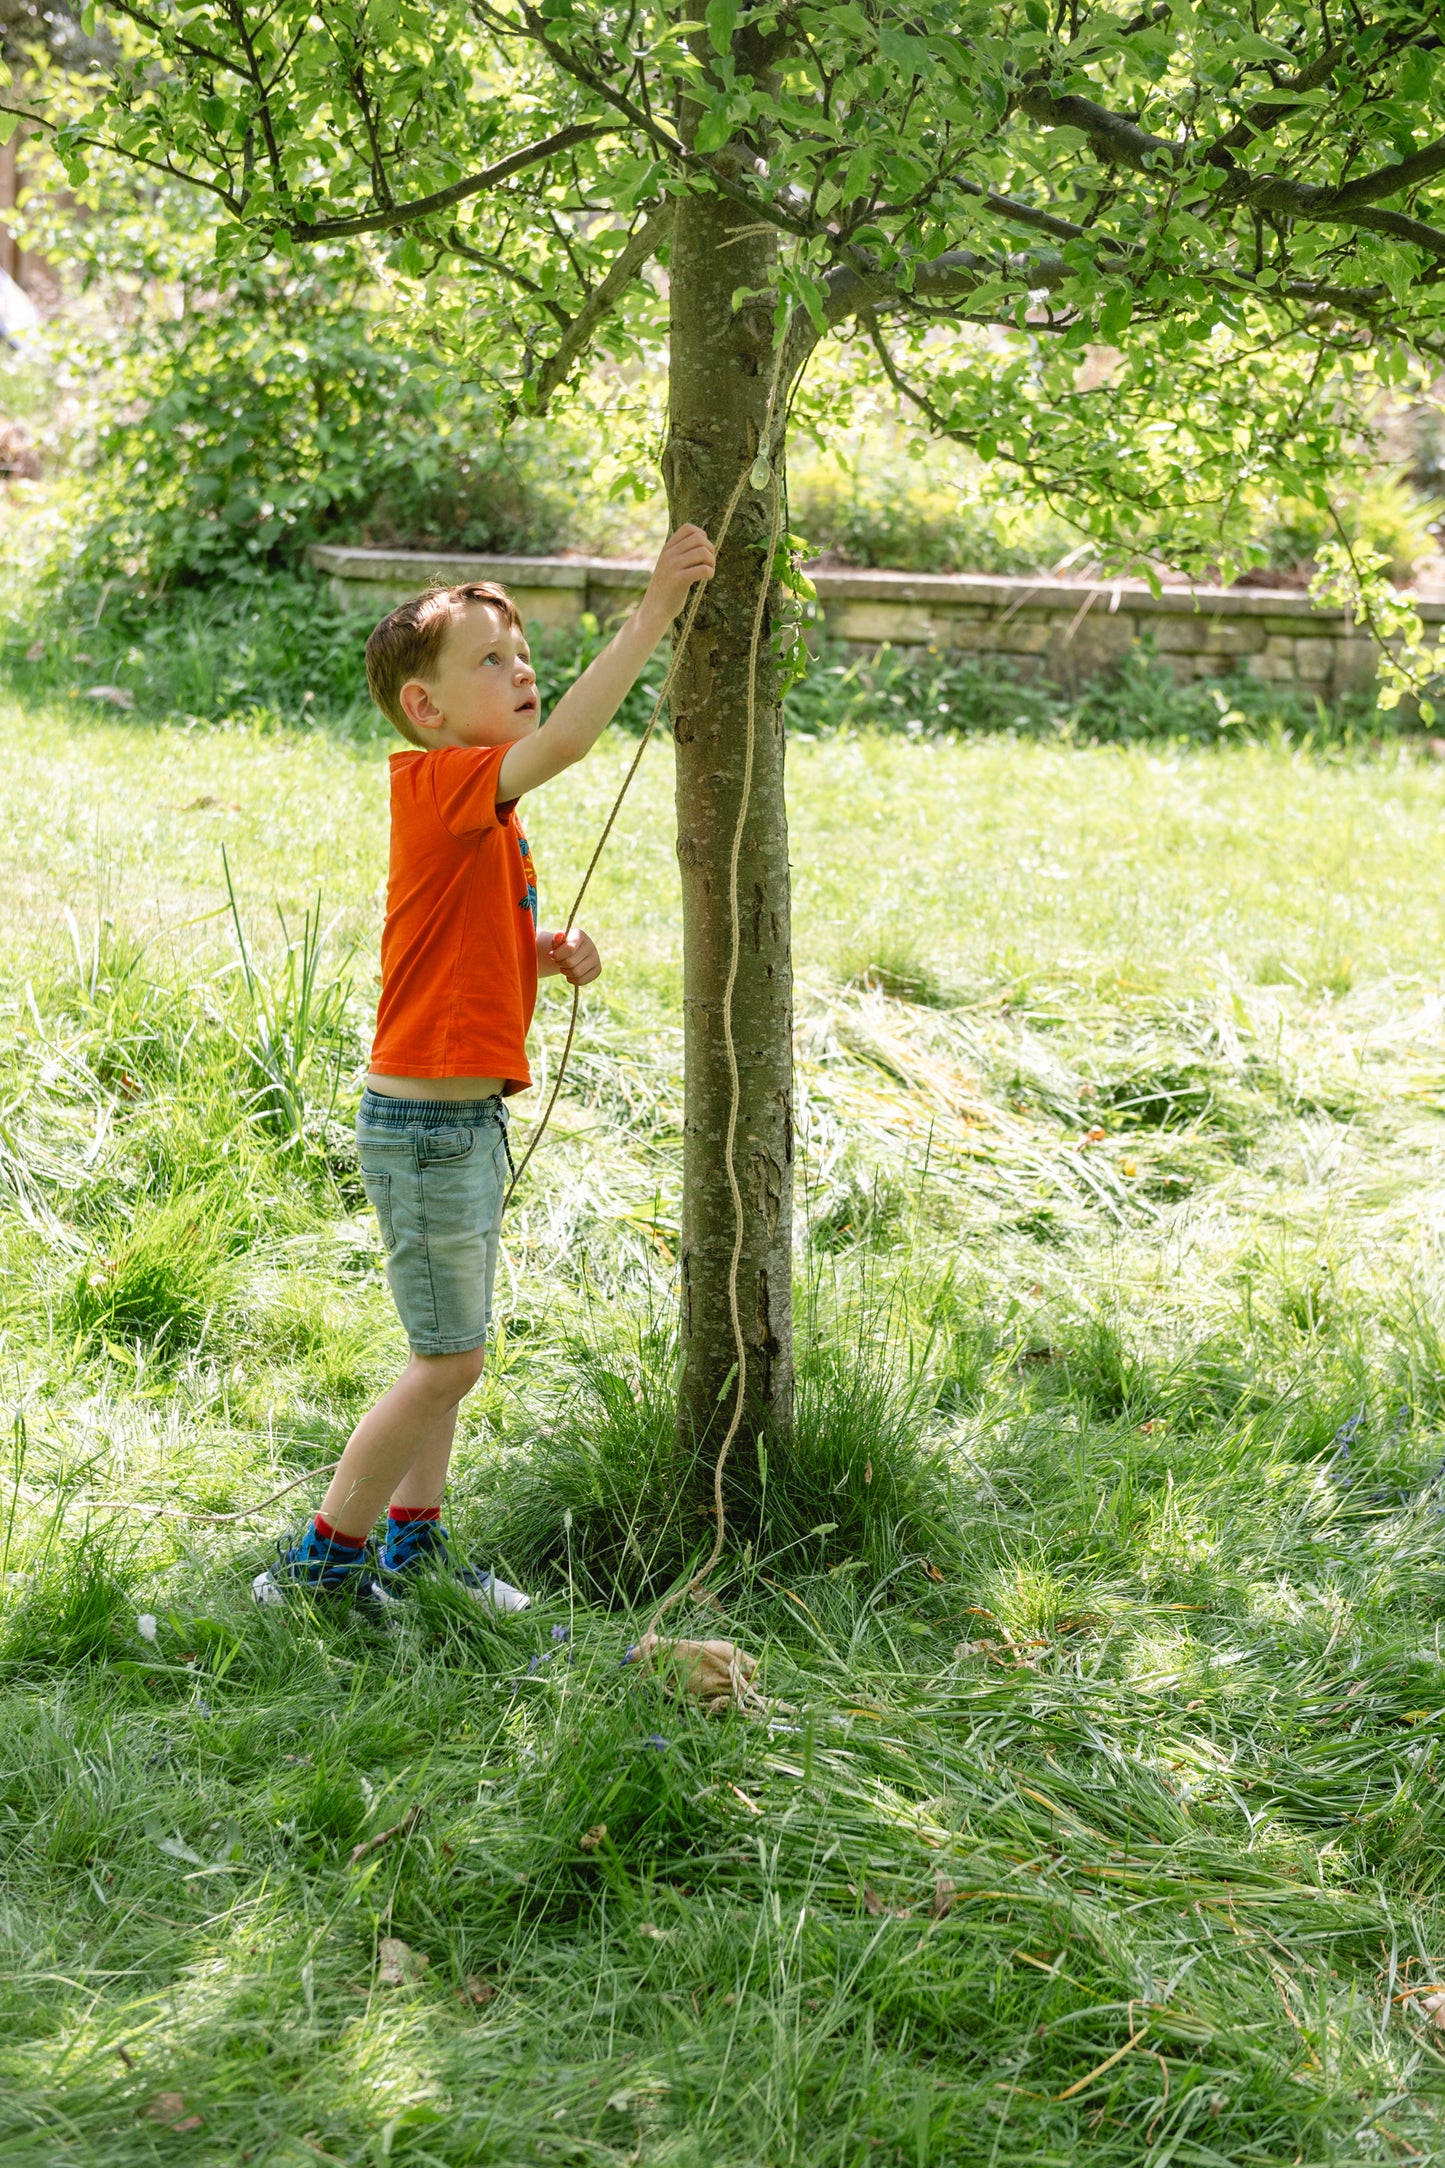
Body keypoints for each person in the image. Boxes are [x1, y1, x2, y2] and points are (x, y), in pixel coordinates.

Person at [253, 524, 716, 1608]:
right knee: (447, 1361)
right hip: (421, 1129)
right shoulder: (434, 782)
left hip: (458, 1125)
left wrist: (541, 956)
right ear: (426, 706)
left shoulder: (484, 813)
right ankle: (320, 1563)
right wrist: (650, 614)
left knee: (451, 1349)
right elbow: (561, 747)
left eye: (522, 654)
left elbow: (461, 948)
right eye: (491, 660)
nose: (522, 672)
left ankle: (411, 1551)